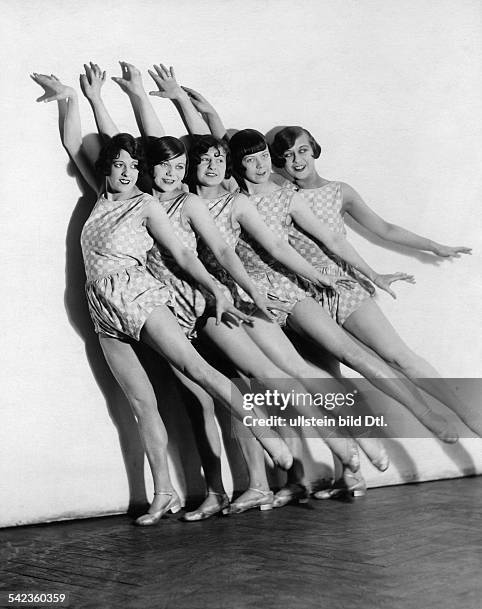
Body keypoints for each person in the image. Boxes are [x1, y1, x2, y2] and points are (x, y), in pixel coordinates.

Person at [84, 61, 383, 515]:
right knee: (210, 397)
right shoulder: (143, 194)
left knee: (271, 375)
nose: (172, 170)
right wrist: (118, 98)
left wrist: (242, 291)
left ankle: (347, 451)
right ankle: (241, 487)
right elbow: (134, 149)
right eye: (167, 165)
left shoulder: (188, 198)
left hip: (206, 302)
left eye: (180, 165)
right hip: (161, 308)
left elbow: (220, 250)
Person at [31, 71, 295, 526]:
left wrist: (215, 287)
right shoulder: (101, 198)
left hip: (140, 294)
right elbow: (73, 142)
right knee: (141, 405)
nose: (128, 173)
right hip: (101, 308)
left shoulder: (147, 205)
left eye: (136, 168)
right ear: (109, 169)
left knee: (199, 371)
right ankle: (164, 493)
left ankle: (269, 437)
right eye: (121, 166)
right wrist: (73, 98)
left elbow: (183, 255)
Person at [268, 125, 481, 440]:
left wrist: (433, 245)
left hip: (344, 285)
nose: (296, 161)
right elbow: (240, 154)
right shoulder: (275, 194)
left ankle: (469, 416)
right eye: (287, 155)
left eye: (301, 150)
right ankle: (349, 474)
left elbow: (385, 228)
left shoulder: (340, 191)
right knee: (329, 380)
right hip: (302, 296)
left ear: (314, 148)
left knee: (397, 356)